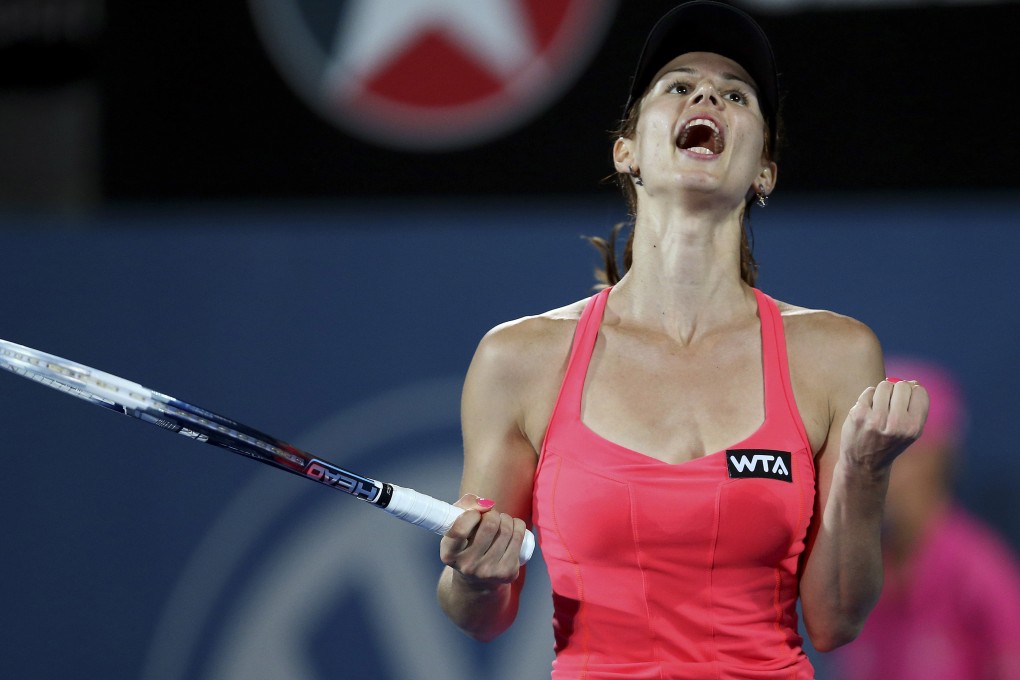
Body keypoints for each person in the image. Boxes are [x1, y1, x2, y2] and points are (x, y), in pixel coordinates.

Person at [435, 2, 929, 678]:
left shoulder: (836, 354)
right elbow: (480, 616)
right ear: (627, 151)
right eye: (679, 85)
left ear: (764, 171)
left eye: (736, 95)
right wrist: (475, 575)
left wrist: (866, 474)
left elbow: (834, 620)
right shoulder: (518, 359)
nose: (707, 97)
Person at [824, 356, 1020, 680]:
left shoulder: (980, 573)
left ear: (936, 459)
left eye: (891, 454)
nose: (871, 469)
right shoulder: (858, 570)